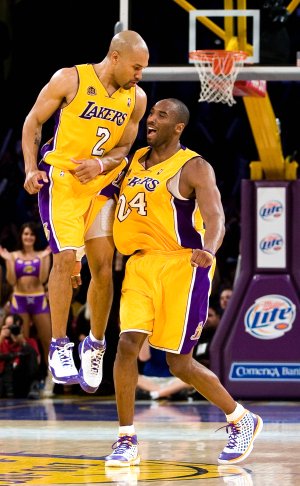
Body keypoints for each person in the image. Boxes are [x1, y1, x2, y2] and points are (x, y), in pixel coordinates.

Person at [105, 98, 263, 467]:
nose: (152, 119)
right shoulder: (131, 160)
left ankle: (241, 418)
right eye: (152, 113)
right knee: (127, 344)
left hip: (184, 266)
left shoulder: (194, 167)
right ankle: (126, 438)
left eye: (161, 115)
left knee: (180, 364)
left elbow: (216, 216)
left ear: (178, 127)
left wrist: (209, 248)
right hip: (140, 264)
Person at [21, 30, 149, 393]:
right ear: (115, 57)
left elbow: (124, 147)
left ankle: (95, 344)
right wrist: (31, 169)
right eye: (136, 67)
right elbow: (33, 122)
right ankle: (59, 346)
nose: (140, 75)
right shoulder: (70, 78)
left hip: (100, 183)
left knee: (103, 268)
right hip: (61, 179)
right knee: (64, 261)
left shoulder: (136, 99)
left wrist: (101, 163)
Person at [0, 221, 53, 397]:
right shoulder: (12, 256)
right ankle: (29, 382)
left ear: (35, 237)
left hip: (38, 298)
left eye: (31, 234)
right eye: (25, 234)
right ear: (21, 237)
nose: (28, 237)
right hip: (19, 299)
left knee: (48, 341)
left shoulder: (42, 254)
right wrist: (8, 262)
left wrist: (46, 258)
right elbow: (12, 281)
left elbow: (44, 279)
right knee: (25, 340)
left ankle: (50, 381)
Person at [0, 313, 40, 398]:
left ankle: (34, 386)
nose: (12, 329)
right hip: (5, 379)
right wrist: (1, 337)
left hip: (23, 379)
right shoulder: (2, 341)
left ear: (21, 327)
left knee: (31, 352)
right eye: (9, 327)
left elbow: (37, 361)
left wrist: (23, 343)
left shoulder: (30, 342)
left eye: (14, 326)